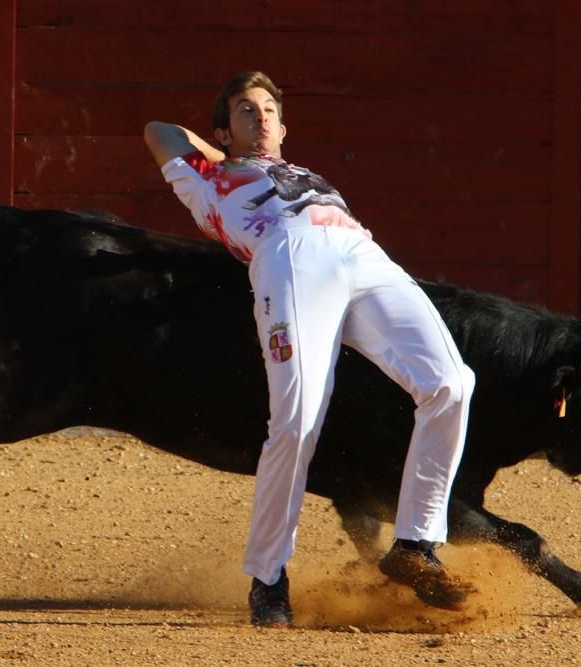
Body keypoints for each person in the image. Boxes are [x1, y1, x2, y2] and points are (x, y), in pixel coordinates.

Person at [144, 71, 477, 627]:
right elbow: (159, 130)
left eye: (270, 110)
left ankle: (415, 546)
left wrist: (249, 142)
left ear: (284, 124)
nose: (262, 117)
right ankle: (269, 577)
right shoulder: (206, 180)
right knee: (296, 420)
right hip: (288, 256)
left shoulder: (307, 172)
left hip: (363, 254)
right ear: (223, 131)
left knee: (451, 384)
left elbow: (259, 136)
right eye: (246, 110)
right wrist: (224, 153)